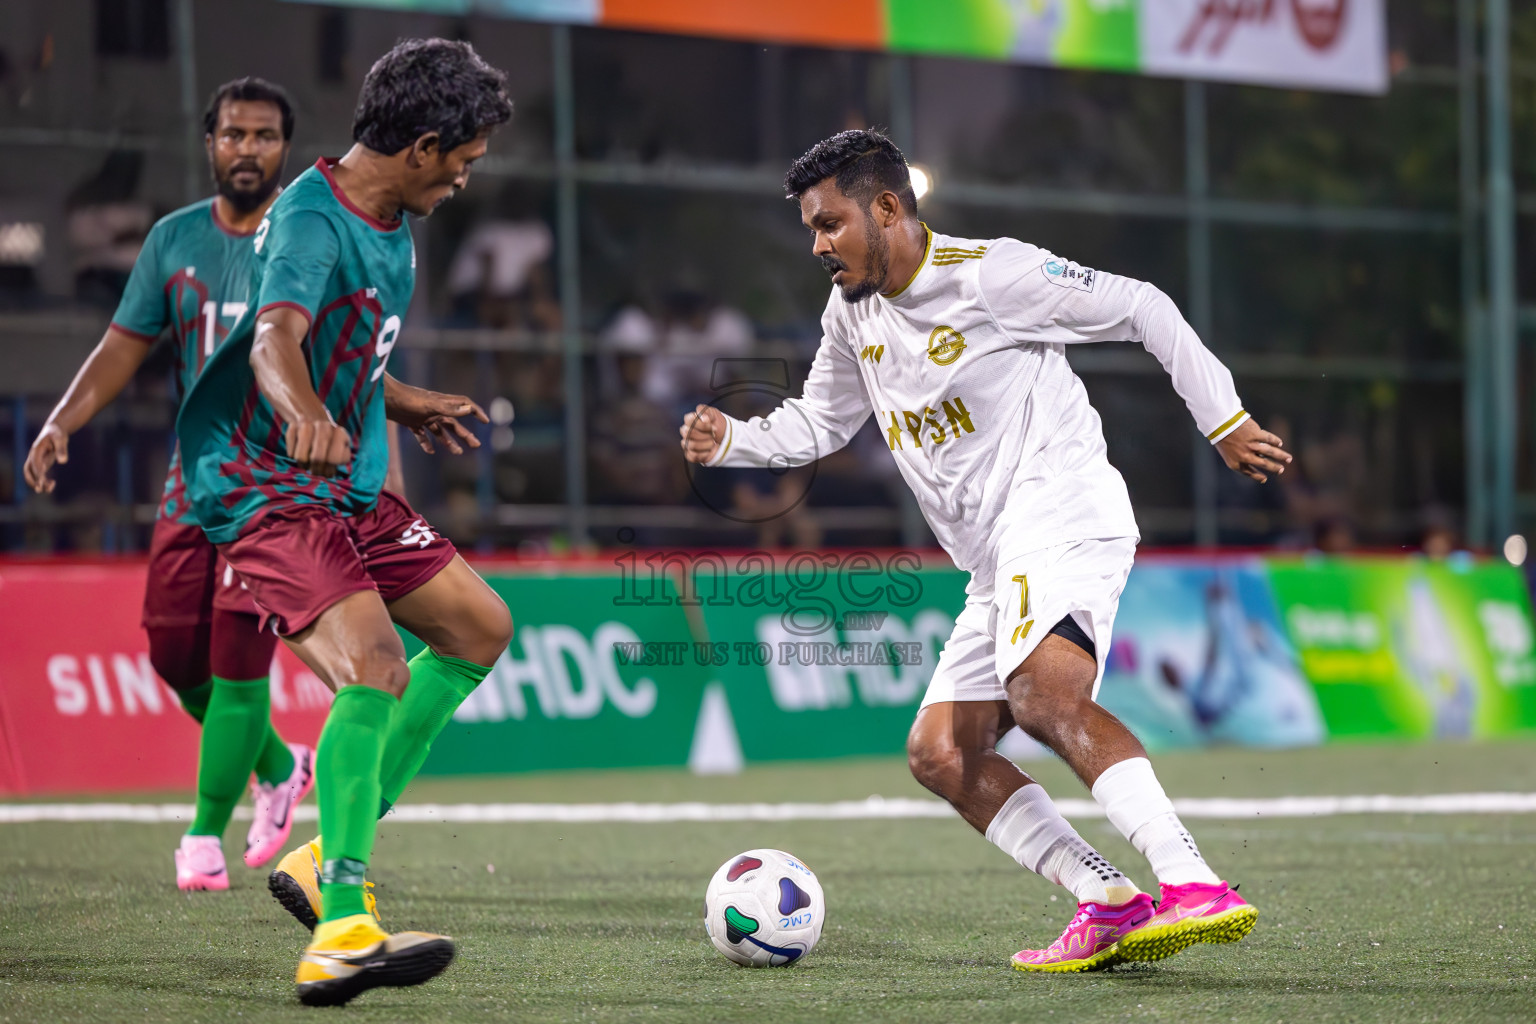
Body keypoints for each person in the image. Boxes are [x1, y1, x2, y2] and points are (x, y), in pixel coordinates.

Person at [680, 129, 1292, 972]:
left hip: (1062, 511)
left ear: (887, 208)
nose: (818, 244)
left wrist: (1224, 420)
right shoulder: (850, 311)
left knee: (1044, 697)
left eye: (829, 224)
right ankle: (1107, 900)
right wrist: (734, 442)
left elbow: (1144, 305)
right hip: (994, 563)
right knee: (941, 754)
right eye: (811, 229)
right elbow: (822, 421)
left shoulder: (992, 274)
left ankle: (1194, 881)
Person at [175, 39, 514, 1006]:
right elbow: (276, 341)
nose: (464, 175)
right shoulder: (314, 221)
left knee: (480, 628)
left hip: (350, 483)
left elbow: (343, 349)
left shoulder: (394, 218)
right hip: (269, 484)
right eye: (465, 157)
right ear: (423, 143)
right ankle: (344, 922)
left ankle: (325, 847)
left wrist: (396, 401)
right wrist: (303, 414)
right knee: (374, 666)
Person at [24, 78, 315, 892]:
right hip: (194, 483)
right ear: (210, 142)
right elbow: (122, 346)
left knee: (235, 665)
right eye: (233, 134)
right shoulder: (172, 239)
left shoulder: (309, 234)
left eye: (263, 135)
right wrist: (61, 421)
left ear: (284, 146)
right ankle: (279, 763)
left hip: (272, 487)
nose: (247, 148)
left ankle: (201, 839)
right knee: (170, 651)